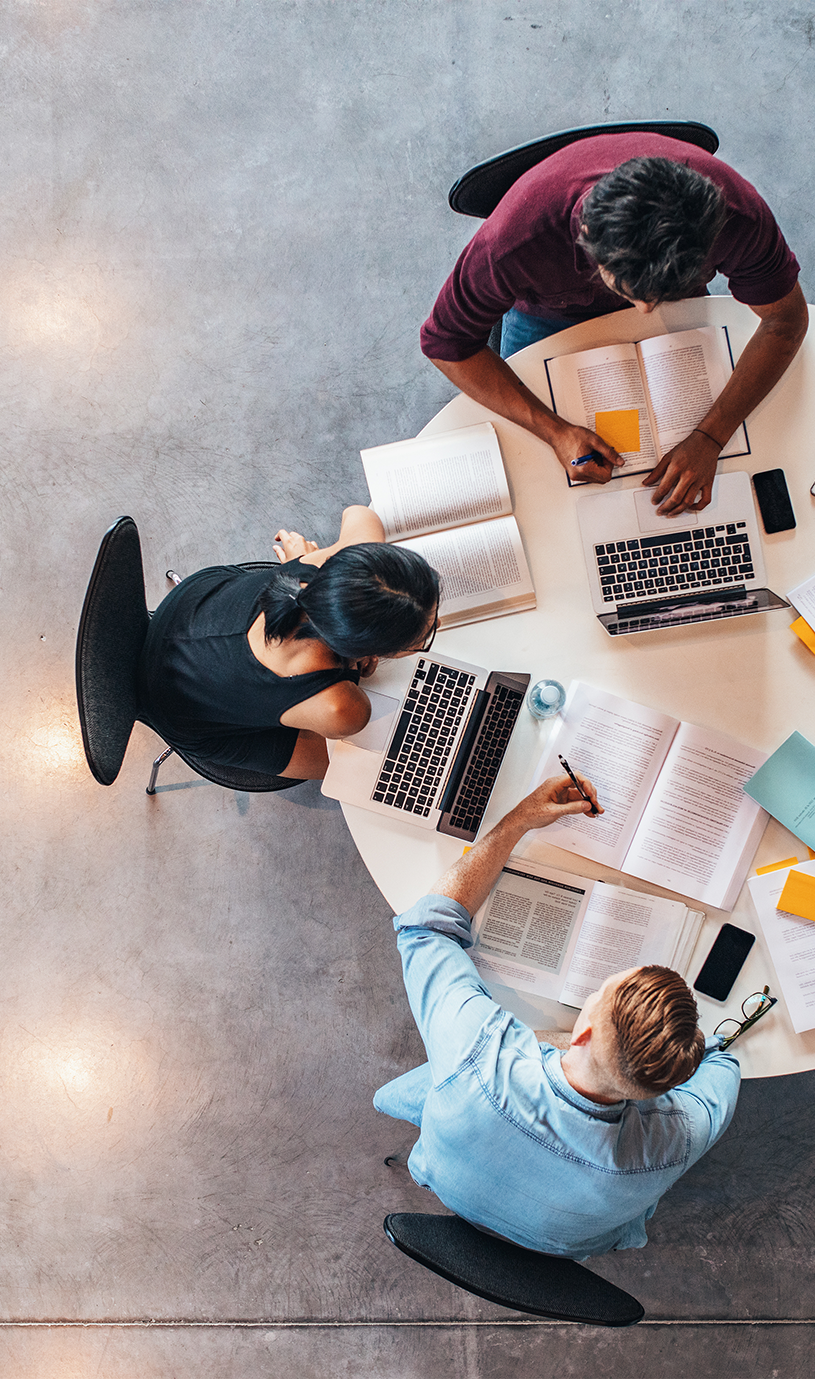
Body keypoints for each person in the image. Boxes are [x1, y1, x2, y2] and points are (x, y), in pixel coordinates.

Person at [373, 773, 741, 1259]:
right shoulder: (677, 1139)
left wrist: (519, 820)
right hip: (563, 1245)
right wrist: (689, 1049)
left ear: (582, 1031)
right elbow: (724, 1067)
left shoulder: (479, 1054)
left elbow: (425, 929)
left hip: (446, 1178)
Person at [420, 132, 808, 516]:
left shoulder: (737, 214)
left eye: (657, 296)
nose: (644, 312)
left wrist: (710, 436)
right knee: (539, 477)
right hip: (547, 313)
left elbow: (785, 321)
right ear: (586, 237)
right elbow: (445, 344)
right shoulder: (513, 244)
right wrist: (554, 431)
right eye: (630, 290)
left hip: (671, 305)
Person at [135, 506, 440, 781]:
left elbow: (361, 515)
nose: (438, 625)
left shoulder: (327, 564)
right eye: (424, 638)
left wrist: (303, 563)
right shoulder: (343, 709)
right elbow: (347, 709)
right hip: (179, 712)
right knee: (361, 768)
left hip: (188, 609)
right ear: (370, 649)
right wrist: (352, 666)